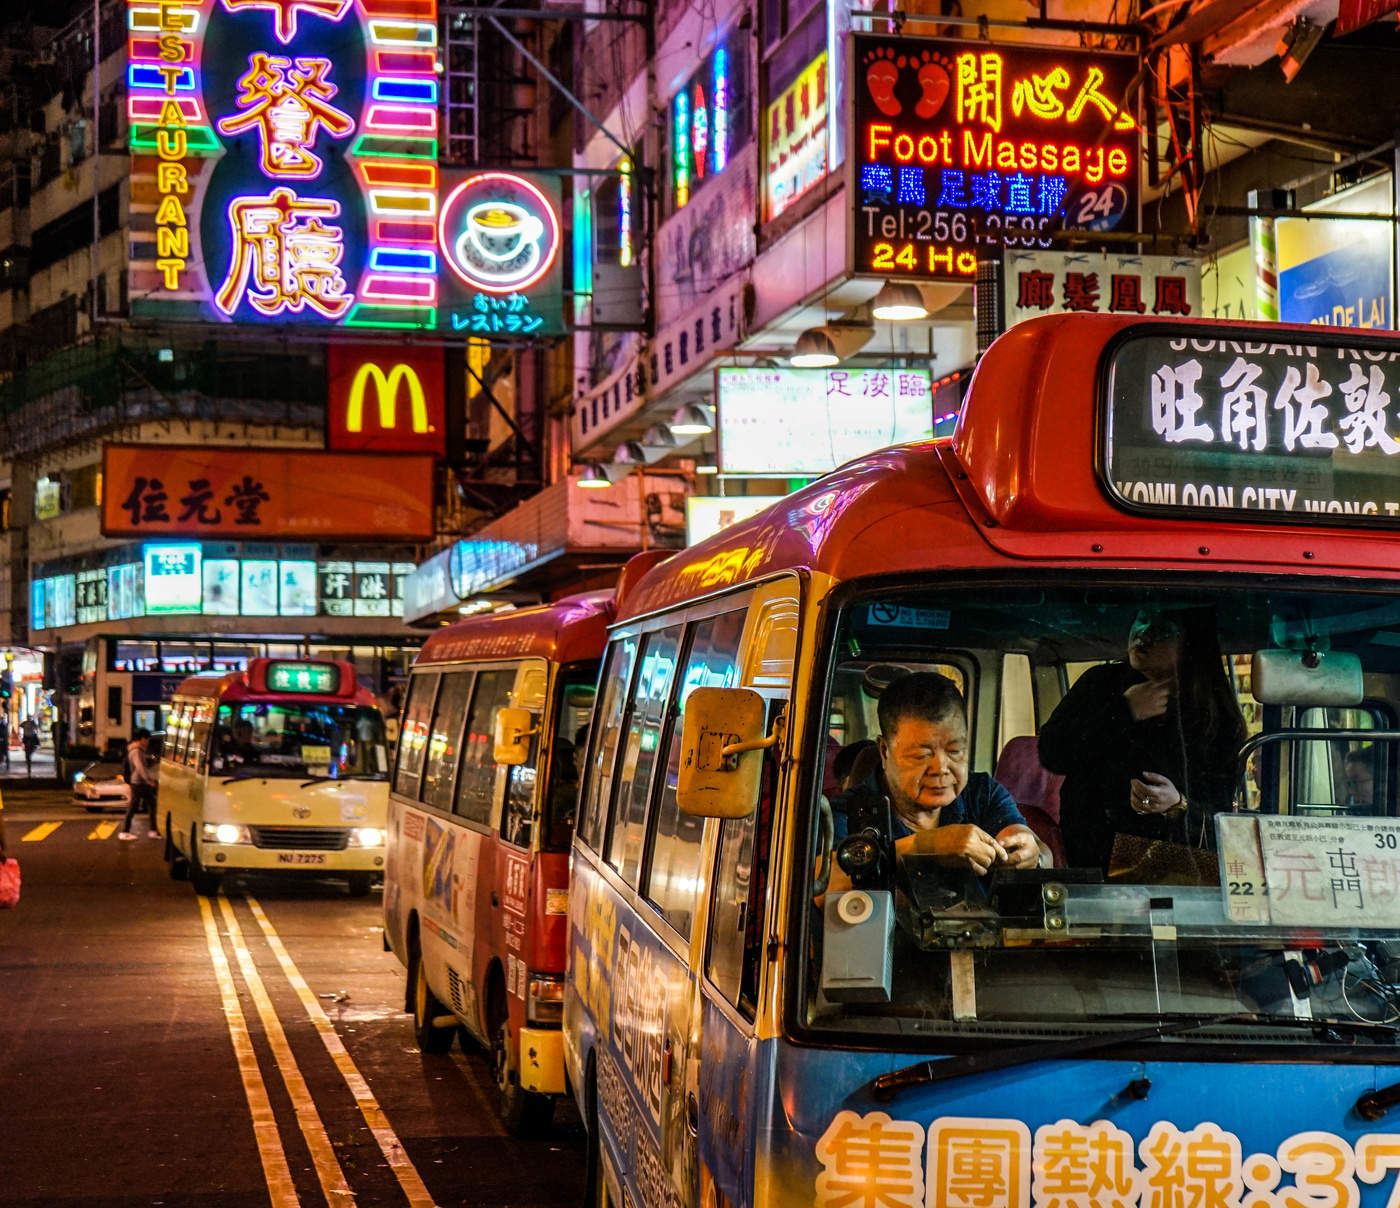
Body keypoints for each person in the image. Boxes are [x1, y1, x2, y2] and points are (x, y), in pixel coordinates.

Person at [1038, 606, 1247, 875]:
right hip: (1093, 866)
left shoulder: (1214, 713)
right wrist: (1124, 710)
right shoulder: (1100, 683)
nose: (1144, 633)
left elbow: (1220, 817)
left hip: (1177, 871)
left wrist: (1177, 804)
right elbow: (1052, 752)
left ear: (1191, 643)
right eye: (1141, 620)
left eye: (1165, 630)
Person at [828, 672, 1044, 891]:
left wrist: (1030, 852)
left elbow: (1036, 847)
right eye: (921, 755)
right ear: (884, 751)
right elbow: (822, 882)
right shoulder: (846, 811)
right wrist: (924, 847)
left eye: (955, 751)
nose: (940, 769)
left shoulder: (982, 793)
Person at [118, 728, 160, 840]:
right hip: (138, 783)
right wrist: (149, 780)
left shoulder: (137, 750)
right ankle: (125, 831)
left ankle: (153, 830)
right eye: (147, 739)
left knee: (150, 804)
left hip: (139, 782)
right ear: (142, 739)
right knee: (135, 806)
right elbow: (140, 767)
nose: (148, 741)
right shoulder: (136, 751)